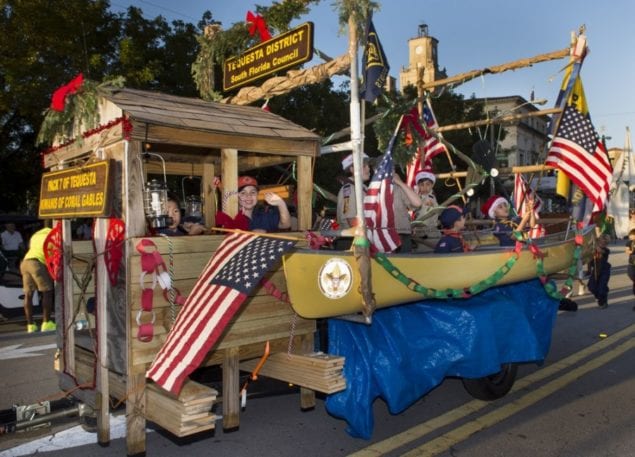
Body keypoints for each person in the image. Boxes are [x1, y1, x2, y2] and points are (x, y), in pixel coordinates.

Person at [336, 153, 421, 252]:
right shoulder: (350, 190)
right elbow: (351, 221)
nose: (368, 169)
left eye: (368, 166)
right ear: (352, 169)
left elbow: (417, 203)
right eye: (364, 166)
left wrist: (400, 182)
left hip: (383, 239)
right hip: (354, 241)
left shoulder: (365, 189)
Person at [20, 227, 55, 333]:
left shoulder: (35, 235)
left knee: (28, 294)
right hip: (37, 264)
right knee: (47, 292)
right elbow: (53, 255)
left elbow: (30, 248)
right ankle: (47, 322)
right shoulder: (52, 236)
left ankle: (30, 325)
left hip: (25, 262)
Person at [413, 166, 440, 235]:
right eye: (422, 185)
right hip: (420, 230)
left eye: (428, 184)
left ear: (432, 185)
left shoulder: (430, 197)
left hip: (429, 231)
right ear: (418, 186)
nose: (425, 187)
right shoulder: (418, 196)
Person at [588, 233, 611, 309]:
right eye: (601, 242)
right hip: (596, 270)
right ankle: (601, 295)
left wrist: (594, 242)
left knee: (601, 289)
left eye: (605, 243)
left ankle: (602, 301)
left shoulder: (606, 250)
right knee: (591, 287)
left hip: (604, 271)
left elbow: (600, 250)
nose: (603, 244)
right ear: (598, 241)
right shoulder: (593, 248)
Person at [625, 229, 635, 311]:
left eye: (631, 235)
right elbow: (627, 251)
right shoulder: (629, 242)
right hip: (631, 264)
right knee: (630, 274)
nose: (630, 236)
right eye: (630, 235)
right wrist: (631, 251)